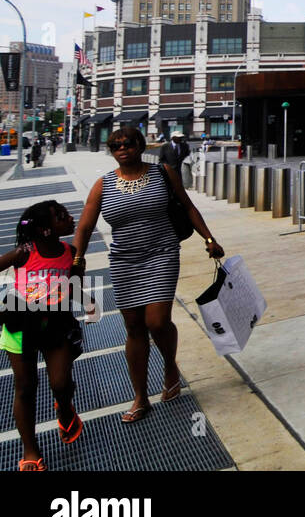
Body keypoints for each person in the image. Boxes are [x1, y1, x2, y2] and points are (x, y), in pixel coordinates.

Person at [72, 126, 224, 423]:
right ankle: (140, 396)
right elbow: (85, 226)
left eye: (128, 143)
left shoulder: (163, 173)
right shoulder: (103, 184)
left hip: (162, 253)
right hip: (124, 261)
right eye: (116, 146)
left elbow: (188, 207)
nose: (122, 149)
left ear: (140, 145)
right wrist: (77, 258)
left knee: (157, 321)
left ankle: (169, 366)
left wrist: (209, 239)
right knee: (134, 328)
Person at [1, 201, 85, 470]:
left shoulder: (70, 252)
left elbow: (75, 287)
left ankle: (65, 408)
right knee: (25, 387)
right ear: (46, 230)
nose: (70, 218)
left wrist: (82, 290)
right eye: (61, 216)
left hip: (56, 324)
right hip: (20, 325)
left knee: (60, 383)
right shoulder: (23, 253)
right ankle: (30, 450)